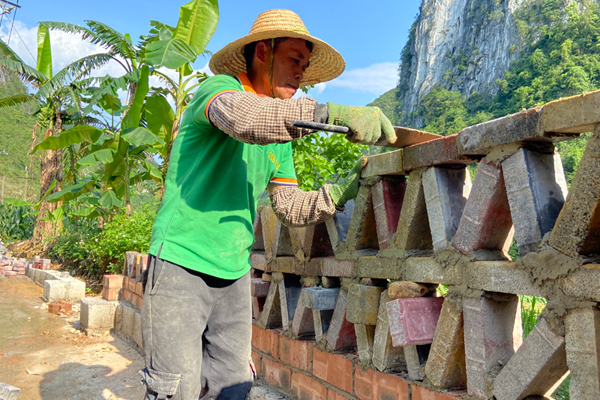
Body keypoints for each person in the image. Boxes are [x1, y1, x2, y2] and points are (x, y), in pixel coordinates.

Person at [140, 9, 396, 400]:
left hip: (233, 272)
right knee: (176, 390)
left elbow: (289, 205)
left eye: (306, 67)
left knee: (233, 387)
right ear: (263, 52)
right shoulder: (219, 92)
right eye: (295, 61)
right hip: (180, 263)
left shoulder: (281, 137)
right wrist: (328, 115)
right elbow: (246, 120)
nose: (301, 75)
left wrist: (341, 191)